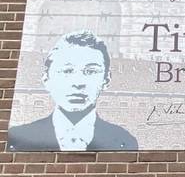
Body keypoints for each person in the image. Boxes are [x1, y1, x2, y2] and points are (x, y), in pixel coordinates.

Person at [7, 31, 138, 151]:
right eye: (67, 71)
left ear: (106, 80)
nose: (78, 83)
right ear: (46, 79)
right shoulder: (18, 138)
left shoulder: (125, 141)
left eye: (91, 71)